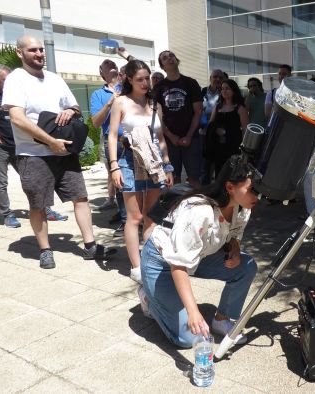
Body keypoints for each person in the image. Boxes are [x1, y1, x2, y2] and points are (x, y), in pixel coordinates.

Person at [2, 36, 116, 269]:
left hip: (64, 151)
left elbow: (74, 106)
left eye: (41, 49)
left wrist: (69, 111)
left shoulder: (54, 78)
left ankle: (90, 245)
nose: (39, 53)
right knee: (38, 204)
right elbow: (17, 118)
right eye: (33, 50)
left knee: (81, 198)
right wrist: (50, 141)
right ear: (19, 53)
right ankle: (45, 249)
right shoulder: (16, 79)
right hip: (33, 154)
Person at [139, 156, 259, 347]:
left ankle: (221, 320)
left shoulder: (243, 208)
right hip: (161, 262)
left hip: (199, 256)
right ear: (230, 187)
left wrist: (235, 250)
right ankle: (150, 298)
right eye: (252, 190)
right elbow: (178, 265)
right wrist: (193, 312)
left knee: (247, 266)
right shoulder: (200, 211)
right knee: (189, 339)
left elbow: (233, 236)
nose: (257, 196)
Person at [108, 60, 174, 284]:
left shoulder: (155, 105)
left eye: (147, 78)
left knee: (151, 215)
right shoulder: (121, 102)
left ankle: (149, 260)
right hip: (129, 159)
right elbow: (112, 135)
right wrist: (114, 165)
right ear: (129, 79)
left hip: (154, 161)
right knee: (134, 216)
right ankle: (136, 267)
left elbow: (161, 138)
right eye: (140, 79)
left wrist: (168, 165)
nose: (145, 83)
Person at [0, 65, 68, 228]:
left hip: (19, 145)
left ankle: (46, 210)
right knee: (1, 183)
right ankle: (7, 214)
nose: (8, 83)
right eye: (4, 80)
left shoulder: (17, 93)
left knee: (34, 180)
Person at [153, 50, 203, 188]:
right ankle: (175, 208)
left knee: (194, 179)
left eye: (171, 55)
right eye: (164, 58)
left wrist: (188, 136)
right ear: (162, 66)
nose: (169, 58)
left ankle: (201, 205)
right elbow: (158, 116)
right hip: (169, 141)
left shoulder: (191, 83)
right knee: (173, 179)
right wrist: (171, 135)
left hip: (192, 139)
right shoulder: (159, 87)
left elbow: (198, 111)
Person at [90, 59, 127, 236]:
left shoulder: (128, 87)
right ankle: (126, 220)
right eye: (106, 64)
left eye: (113, 62)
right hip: (113, 142)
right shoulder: (98, 94)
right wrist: (110, 103)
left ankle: (141, 217)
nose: (111, 64)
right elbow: (96, 123)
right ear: (101, 72)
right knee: (119, 181)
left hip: (134, 139)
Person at [204, 79, 248, 176]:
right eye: (222, 89)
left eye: (227, 88)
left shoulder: (240, 108)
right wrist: (216, 129)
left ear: (234, 90)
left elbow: (245, 129)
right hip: (218, 146)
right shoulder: (218, 107)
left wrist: (243, 149)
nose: (224, 91)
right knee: (219, 173)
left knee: (232, 175)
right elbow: (210, 124)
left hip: (234, 145)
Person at [199, 69, 223, 185]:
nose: (217, 79)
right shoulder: (203, 91)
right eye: (215, 77)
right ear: (210, 78)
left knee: (218, 163)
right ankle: (205, 190)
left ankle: (217, 190)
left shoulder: (225, 93)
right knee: (205, 163)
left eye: (220, 77)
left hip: (218, 133)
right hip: (204, 132)